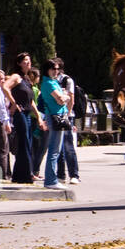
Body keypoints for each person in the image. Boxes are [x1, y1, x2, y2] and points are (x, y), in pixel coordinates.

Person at [38, 59, 72, 188]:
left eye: (58, 69)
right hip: (55, 116)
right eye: (53, 69)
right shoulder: (49, 83)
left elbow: (63, 98)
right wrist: (66, 96)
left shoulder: (52, 82)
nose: (56, 71)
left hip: (57, 116)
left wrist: (64, 96)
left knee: (55, 150)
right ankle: (51, 181)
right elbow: (60, 100)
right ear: (47, 70)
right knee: (54, 150)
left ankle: (52, 180)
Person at [4, 53, 36, 183]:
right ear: (19, 63)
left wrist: (38, 117)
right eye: (25, 61)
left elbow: (31, 100)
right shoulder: (16, 77)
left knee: (27, 142)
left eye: (29, 61)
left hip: (28, 113)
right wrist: (14, 103)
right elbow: (5, 87)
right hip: (20, 113)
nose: (28, 63)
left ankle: (19, 175)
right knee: (24, 143)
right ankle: (27, 175)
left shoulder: (27, 79)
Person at [54, 57, 81, 185]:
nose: (53, 70)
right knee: (57, 146)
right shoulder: (51, 80)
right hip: (54, 115)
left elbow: (71, 99)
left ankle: (74, 174)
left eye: (55, 67)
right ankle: (60, 175)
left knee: (68, 146)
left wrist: (67, 116)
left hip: (66, 116)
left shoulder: (66, 79)